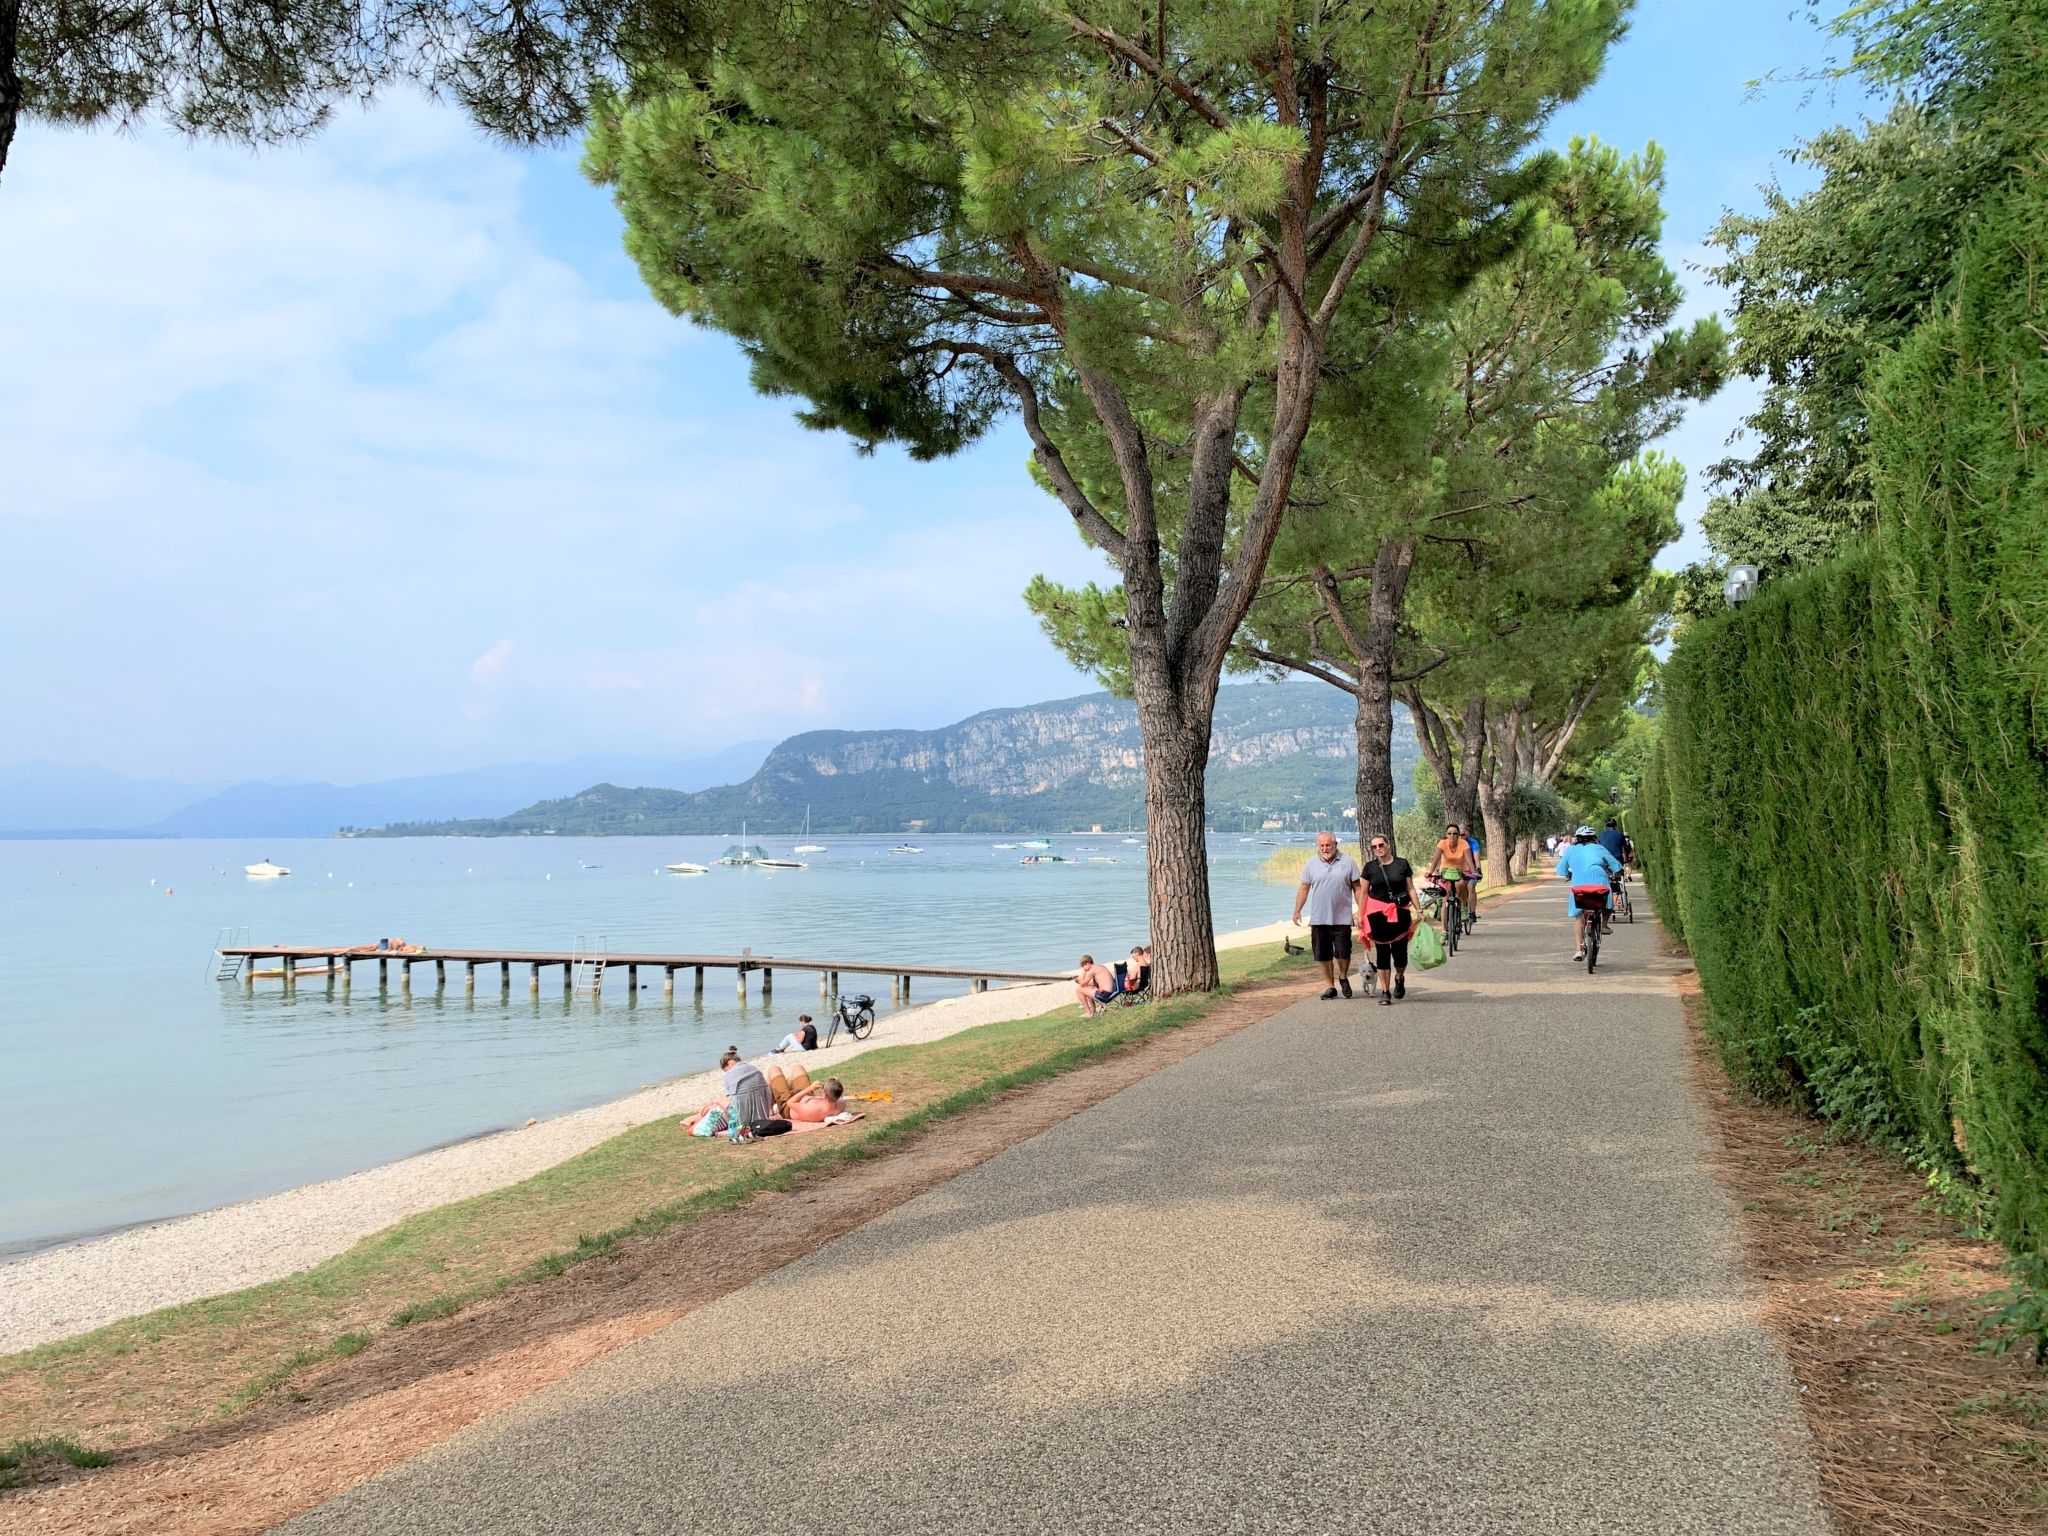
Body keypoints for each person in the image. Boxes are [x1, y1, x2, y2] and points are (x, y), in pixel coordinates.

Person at [1291, 831, 1364, 1000]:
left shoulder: (1348, 862)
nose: (1325, 848)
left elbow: (1358, 888)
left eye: (1328, 845)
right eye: (1322, 845)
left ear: (1335, 845)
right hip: (1319, 918)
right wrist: (1297, 910)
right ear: (1318, 846)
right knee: (1322, 954)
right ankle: (1330, 986)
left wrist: (1362, 911)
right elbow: (1304, 889)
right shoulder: (1311, 863)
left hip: (1342, 917)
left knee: (1343, 952)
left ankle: (1343, 976)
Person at [1358, 834, 1416, 1006]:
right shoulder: (1369, 868)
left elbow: (1411, 888)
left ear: (1388, 845)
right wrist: (1360, 916)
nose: (1378, 849)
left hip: (1400, 914)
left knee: (1400, 957)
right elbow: (1363, 893)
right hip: (1377, 916)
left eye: (1380, 845)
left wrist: (1418, 910)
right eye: (1374, 847)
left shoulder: (1402, 864)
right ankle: (1385, 991)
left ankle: (1399, 977)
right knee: (1382, 955)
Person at [1555, 827, 1623, 961]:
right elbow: (1616, 865)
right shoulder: (1599, 848)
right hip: (1599, 884)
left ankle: (1578, 950)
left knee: (1579, 917)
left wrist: (1570, 874)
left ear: (1577, 838)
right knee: (1607, 901)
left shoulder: (1571, 850)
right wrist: (1617, 873)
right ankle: (1604, 925)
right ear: (1593, 838)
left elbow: (1560, 869)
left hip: (1579, 887)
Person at [719, 1046, 792, 1136]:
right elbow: (767, 1091)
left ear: (731, 1063)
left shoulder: (730, 1074)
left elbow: (733, 1098)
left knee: (723, 1108)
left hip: (742, 1113)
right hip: (761, 1112)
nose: (727, 1072)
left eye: (726, 1070)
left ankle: (740, 1128)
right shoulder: (754, 1069)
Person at [1424, 823, 1477, 924]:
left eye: (1455, 833)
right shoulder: (1442, 843)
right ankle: (1445, 931)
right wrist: (1430, 872)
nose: (1452, 835)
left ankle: (1463, 906)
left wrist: (1474, 873)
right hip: (1446, 871)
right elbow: (1436, 859)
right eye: (1449, 833)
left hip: (1460, 870)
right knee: (1445, 897)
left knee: (1460, 884)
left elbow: (1469, 861)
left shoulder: (1464, 844)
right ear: (1446, 835)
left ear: (1458, 835)